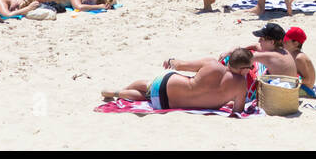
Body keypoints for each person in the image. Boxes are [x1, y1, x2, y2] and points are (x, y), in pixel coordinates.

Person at [101, 48, 254, 112]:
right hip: (165, 102)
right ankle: (119, 93)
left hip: (168, 85)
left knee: (147, 85)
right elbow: (238, 110)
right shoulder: (240, 85)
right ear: (244, 69)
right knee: (147, 96)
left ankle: (118, 91)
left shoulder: (211, 63)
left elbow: (180, 65)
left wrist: (171, 59)